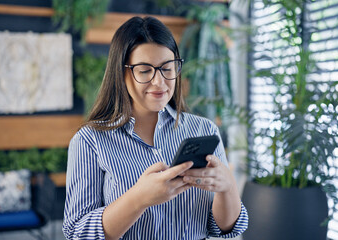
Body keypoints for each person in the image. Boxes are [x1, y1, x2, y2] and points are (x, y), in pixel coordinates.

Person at [63, 16, 248, 240]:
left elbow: (224, 228)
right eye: (144, 71)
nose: (159, 82)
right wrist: (139, 198)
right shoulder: (89, 141)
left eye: (166, 69)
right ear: (121, 73)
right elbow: (77, 233)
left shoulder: (204, 130)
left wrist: (228, 188)